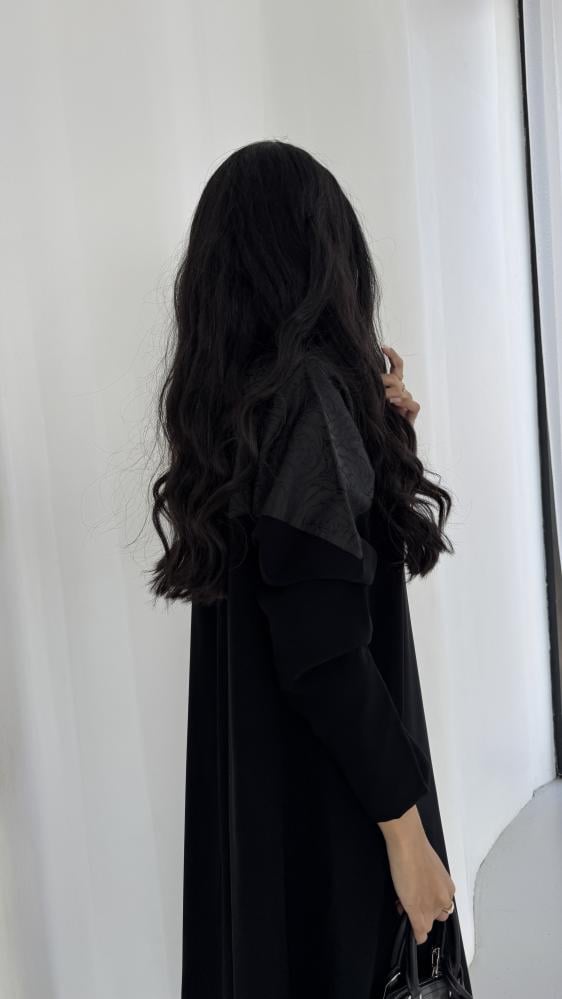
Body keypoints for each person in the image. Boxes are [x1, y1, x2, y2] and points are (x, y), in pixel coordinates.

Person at [149, 139, 473, 999]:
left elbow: (308, 584)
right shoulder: (309, 406)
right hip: (337, 822)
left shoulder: (239, 418)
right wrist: (407, 835)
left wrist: (377, 435)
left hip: (273, 823)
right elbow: (325, 654)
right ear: (320, 256)